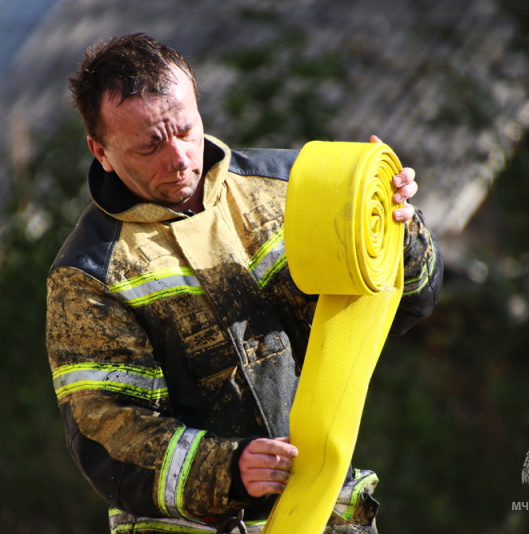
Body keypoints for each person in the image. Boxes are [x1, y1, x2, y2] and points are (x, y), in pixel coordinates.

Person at [46, 33, 443, 534]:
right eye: (149, 144)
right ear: (100, 151)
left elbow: (410, 304)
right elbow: (108, 432)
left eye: (186, 129)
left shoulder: (291, 188)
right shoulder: (87, 273)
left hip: (329, 516)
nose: (179, 157)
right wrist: (228, 468)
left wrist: (398, 227)